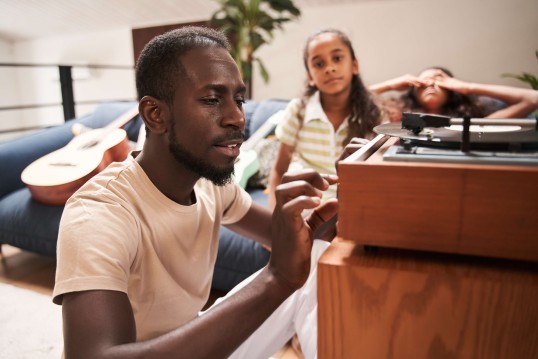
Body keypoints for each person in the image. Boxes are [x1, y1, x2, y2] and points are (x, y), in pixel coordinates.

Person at [52, 26, 339, 359]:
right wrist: (276, 279)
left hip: (190, 339)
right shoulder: (99, 213)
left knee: (316, 256)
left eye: (239, 99)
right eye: (212, 99)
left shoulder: (210, 183)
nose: (237, 117)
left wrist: (352, 197)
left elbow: (291, 243)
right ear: (155, 114)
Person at [268, 28, 386, 210]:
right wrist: (274, 222)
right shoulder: (298, 110)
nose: (330, 68)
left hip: (352, 208)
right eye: (319, 64)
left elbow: (380, 176)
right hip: (304, 210)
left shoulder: (374, 112)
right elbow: (278, 170)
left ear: (354, 66)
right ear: (310, 77)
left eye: (337, 59)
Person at [370, 66, 538, 120]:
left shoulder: (473, 125)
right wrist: (389, 85)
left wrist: (468, 87)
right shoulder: (398, 117)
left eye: (439, 80)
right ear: (413, 93)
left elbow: (533, 99)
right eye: (422, 83)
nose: (430, 84)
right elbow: (345, 100)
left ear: (452, 90)